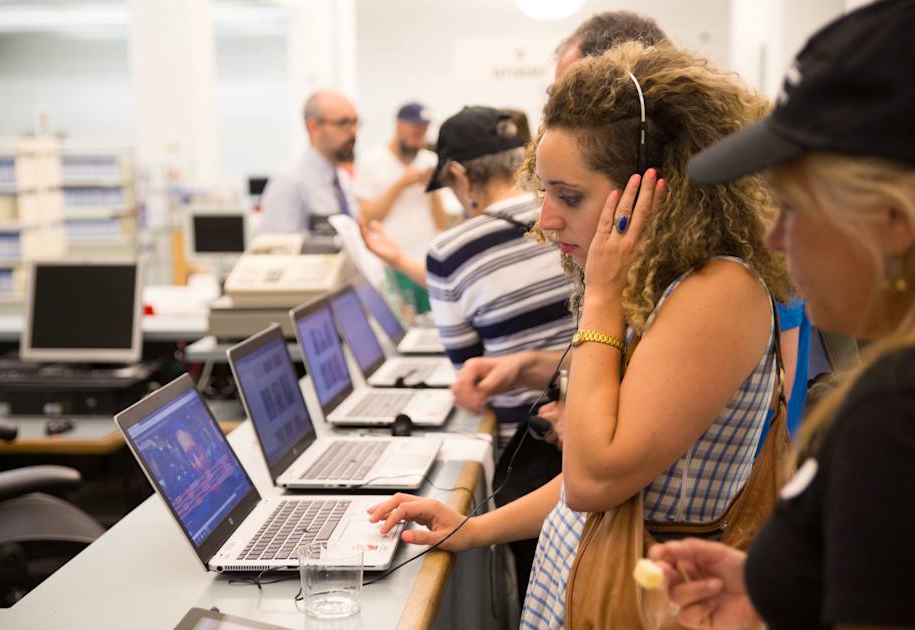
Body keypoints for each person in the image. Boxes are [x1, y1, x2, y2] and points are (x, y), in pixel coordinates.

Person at [368, 41, 791, 628]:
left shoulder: (717, 291)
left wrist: (601, 296)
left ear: (652, 192)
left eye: (569, 197)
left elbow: (594, 479)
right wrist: (474, 528)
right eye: (544, 193)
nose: (546, 219)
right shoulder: (663, 285)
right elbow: (588, 482)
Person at [648, 2, 915, 629]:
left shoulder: (891, 416)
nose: (775, 237)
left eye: (794, 208)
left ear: (889, 220)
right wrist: (779, 591)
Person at [366, 105, 577, 599]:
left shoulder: (452, 250)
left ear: (461, 176)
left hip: (527, 451)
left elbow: (470, 370)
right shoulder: (568, 216)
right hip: (582, 425)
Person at [356, 102, 448, 313]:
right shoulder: (371, 161)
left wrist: (432, 188)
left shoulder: (430, 160)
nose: (419, 139)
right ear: (399, 126)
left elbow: (441, 222)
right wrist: (401, 184)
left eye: (423, 132)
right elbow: (367, 217)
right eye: (415, 131)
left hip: (425, 265)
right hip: (389, 267)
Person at [258, 90, 359, 235]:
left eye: (355, 122)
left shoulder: (343, 180)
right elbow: (275, 247)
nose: (353, 132)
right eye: (343, 123)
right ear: (313, 127)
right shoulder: (289, 183)